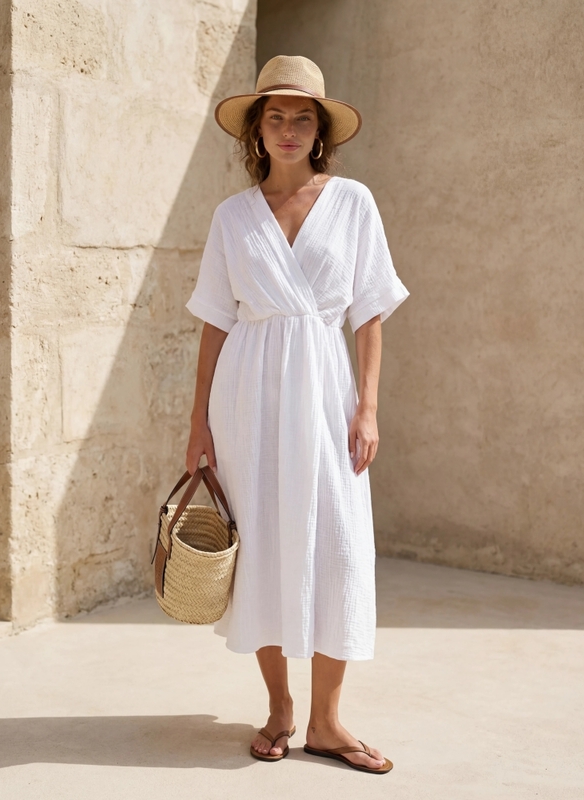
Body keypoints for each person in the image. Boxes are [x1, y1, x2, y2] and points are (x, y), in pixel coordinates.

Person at [184, 55, 409, 775]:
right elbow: (215, 321)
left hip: (326, 392)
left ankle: (327, 722)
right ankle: (281, 709)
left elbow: (369, 312)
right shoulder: (232, 216)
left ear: (320, 131)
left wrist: (368, 407)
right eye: (275, 117)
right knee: (264, 547)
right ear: (257, 130)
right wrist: (198, 423)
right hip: (245, 398)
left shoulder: (353, 203)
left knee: (338, 546)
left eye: (302, 118)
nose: (288, 129)